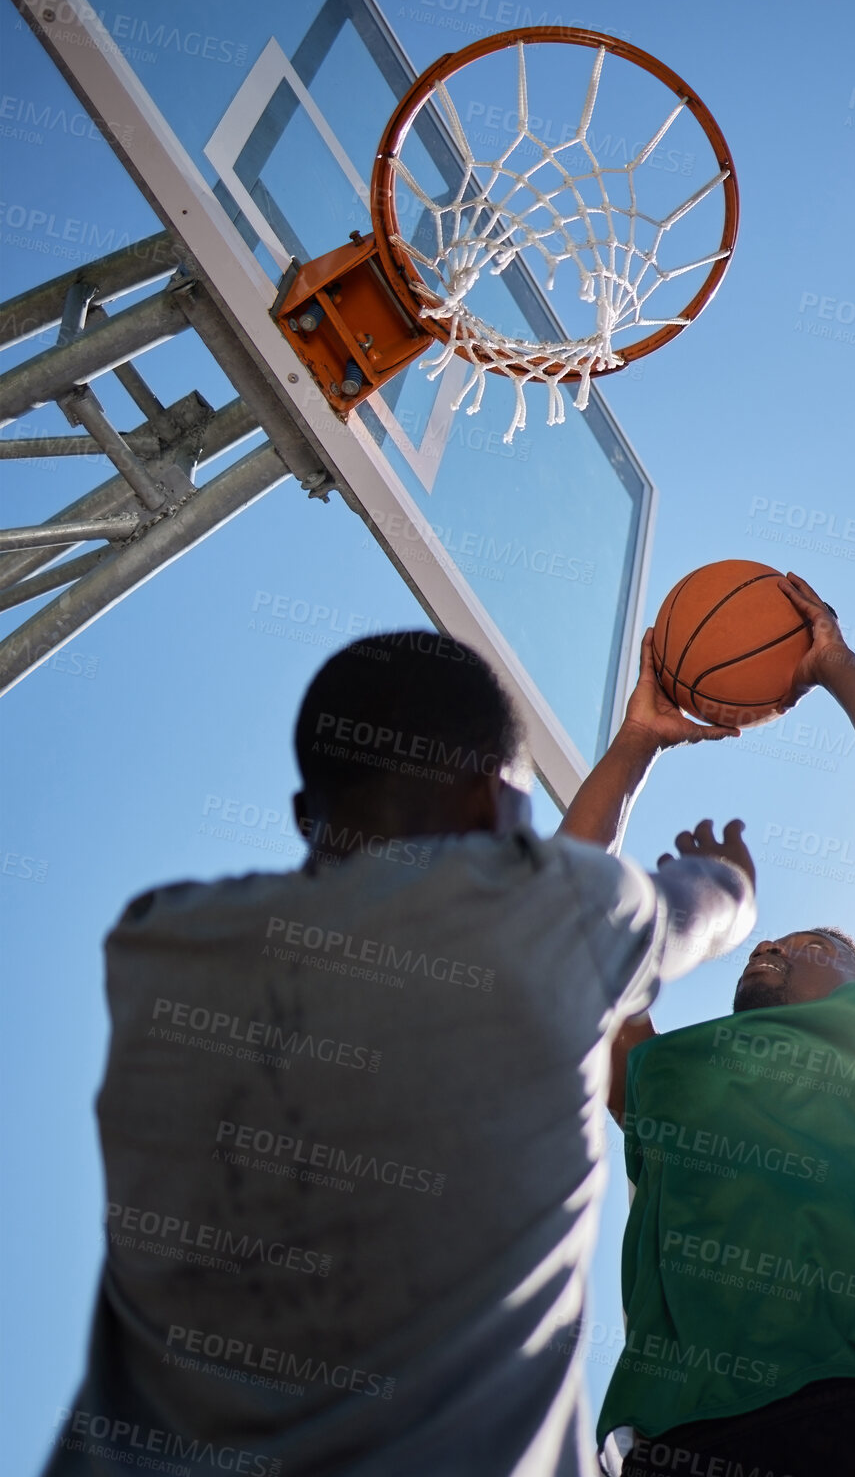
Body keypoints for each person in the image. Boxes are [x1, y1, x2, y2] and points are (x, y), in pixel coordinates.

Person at [45, 628, 755, 1477]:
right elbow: (699, 905)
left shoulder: (160, 944)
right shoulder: (551, 921)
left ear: (308, 819)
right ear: (488, 808)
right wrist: (732, 878)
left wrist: (631, 746)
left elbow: (518, 904)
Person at [595, 575, 855, 1477]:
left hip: (845, 1419)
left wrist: (834, 666)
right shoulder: (666, 1080)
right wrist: (636, 743)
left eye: (806, 943)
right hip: (670, 1443)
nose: (765, 946)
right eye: (761, 942)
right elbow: (571, 926)